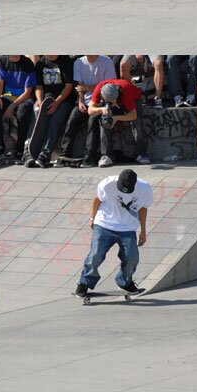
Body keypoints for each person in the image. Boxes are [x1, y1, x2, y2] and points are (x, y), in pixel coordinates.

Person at [74, 168, 151, 299]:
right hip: (104, 224)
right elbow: (97, 200)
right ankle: (84, 282)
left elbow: (143, 209)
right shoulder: (107, 184)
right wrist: (92, 218)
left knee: (132, 257)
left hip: (127, 228)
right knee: (96, 255)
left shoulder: (144, 188)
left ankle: (124, 282)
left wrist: (143, 231)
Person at [56, 53, 117, 166]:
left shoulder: (107, 61)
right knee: (73, 118)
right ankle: (65, 153)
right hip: (86, 100)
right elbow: (80, 87)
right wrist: (80, 102)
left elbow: (109, 85)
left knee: (92, 122)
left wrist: (88, 88)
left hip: (102, 100)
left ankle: (90, 156)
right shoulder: (79, 62)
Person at [24, 54, 75, 168]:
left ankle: (45, 155)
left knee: (55, 121)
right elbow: (39, 87)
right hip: (46, 99)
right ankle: (27, 153)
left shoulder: (66, 61)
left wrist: (57, 102)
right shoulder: (40, 63)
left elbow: (68, 86)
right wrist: (40, 102)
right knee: (36, 114)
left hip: (64, 100)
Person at [87, 79, 149, 167]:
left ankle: (141, 153)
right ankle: (107, 155)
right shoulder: (99, 88)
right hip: (111, 102)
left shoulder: (125, 90)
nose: (111, 104)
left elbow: (133, 115)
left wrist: (116, 118)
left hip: (134, 99)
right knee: (105, 118)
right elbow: (90, 110)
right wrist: (101, 109)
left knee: (137, 121)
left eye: (112, 101)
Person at [0, 54, 36, 160]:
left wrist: (12, 106)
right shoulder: (2, 61)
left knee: (22, 112)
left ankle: (20, 148)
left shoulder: (28, 64)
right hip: (8, 96)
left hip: (24, 97)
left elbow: (28, 92)